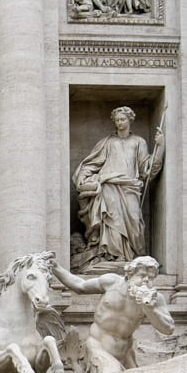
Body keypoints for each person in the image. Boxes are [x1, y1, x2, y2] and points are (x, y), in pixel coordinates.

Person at [51, 256, 174, 373]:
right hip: (98, 347)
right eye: (141, 275)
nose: (146, 280)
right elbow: (80, 286)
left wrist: (150, 309)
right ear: (129, 275)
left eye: (151, 278)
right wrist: (56, 268)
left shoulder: (156, 299)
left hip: (125, 353)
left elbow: (168, 329)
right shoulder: (112, 283)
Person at [73, 106, 164, 264]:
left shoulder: (138, 142)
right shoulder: (107, 142)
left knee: (134, 219)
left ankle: (132, 256)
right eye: (117, 120)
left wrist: (160, 147)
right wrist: (83, 176)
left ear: (130, 120)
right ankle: (114, 255)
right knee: (111, 219)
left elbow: (147, 169)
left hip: (130, 186)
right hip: (109, 185)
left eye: (123, 119)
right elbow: (92, 163)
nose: (120, 123)